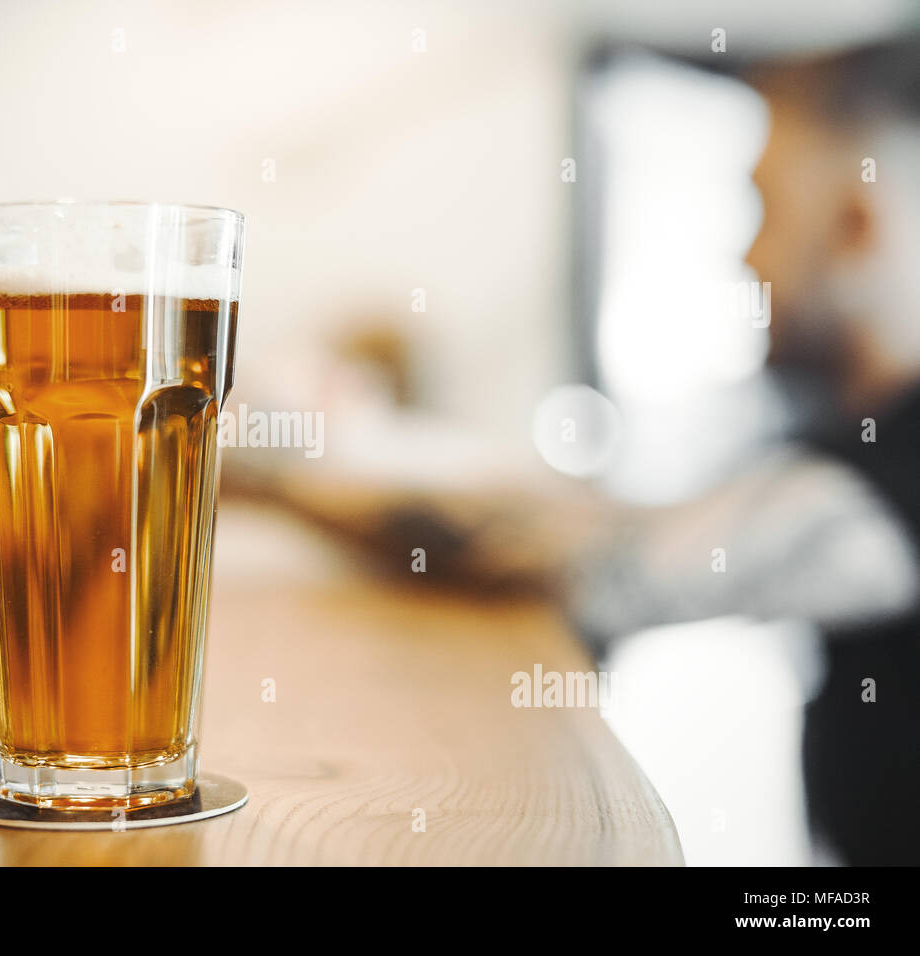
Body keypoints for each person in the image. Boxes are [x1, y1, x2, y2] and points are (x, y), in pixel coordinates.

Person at [232, 37, 920, 865]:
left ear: (856, 223)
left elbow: (606, 555)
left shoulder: (891, 482)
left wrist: (281, 459)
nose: (744, 254)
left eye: (764, 207)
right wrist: (354, 441)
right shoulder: (857, 448)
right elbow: (605, 508)